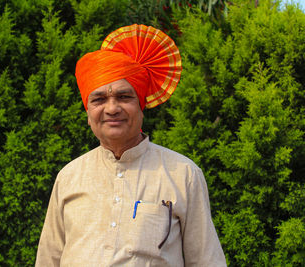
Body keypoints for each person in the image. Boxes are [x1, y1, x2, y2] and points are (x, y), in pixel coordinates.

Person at [35, 24, 226, 266]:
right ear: (88, 110)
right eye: (100, 99)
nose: (112, 108)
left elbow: (206, 260)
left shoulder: (183, 174)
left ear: (140, 105)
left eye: (124, 97)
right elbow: (48, 260)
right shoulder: (69, 177)